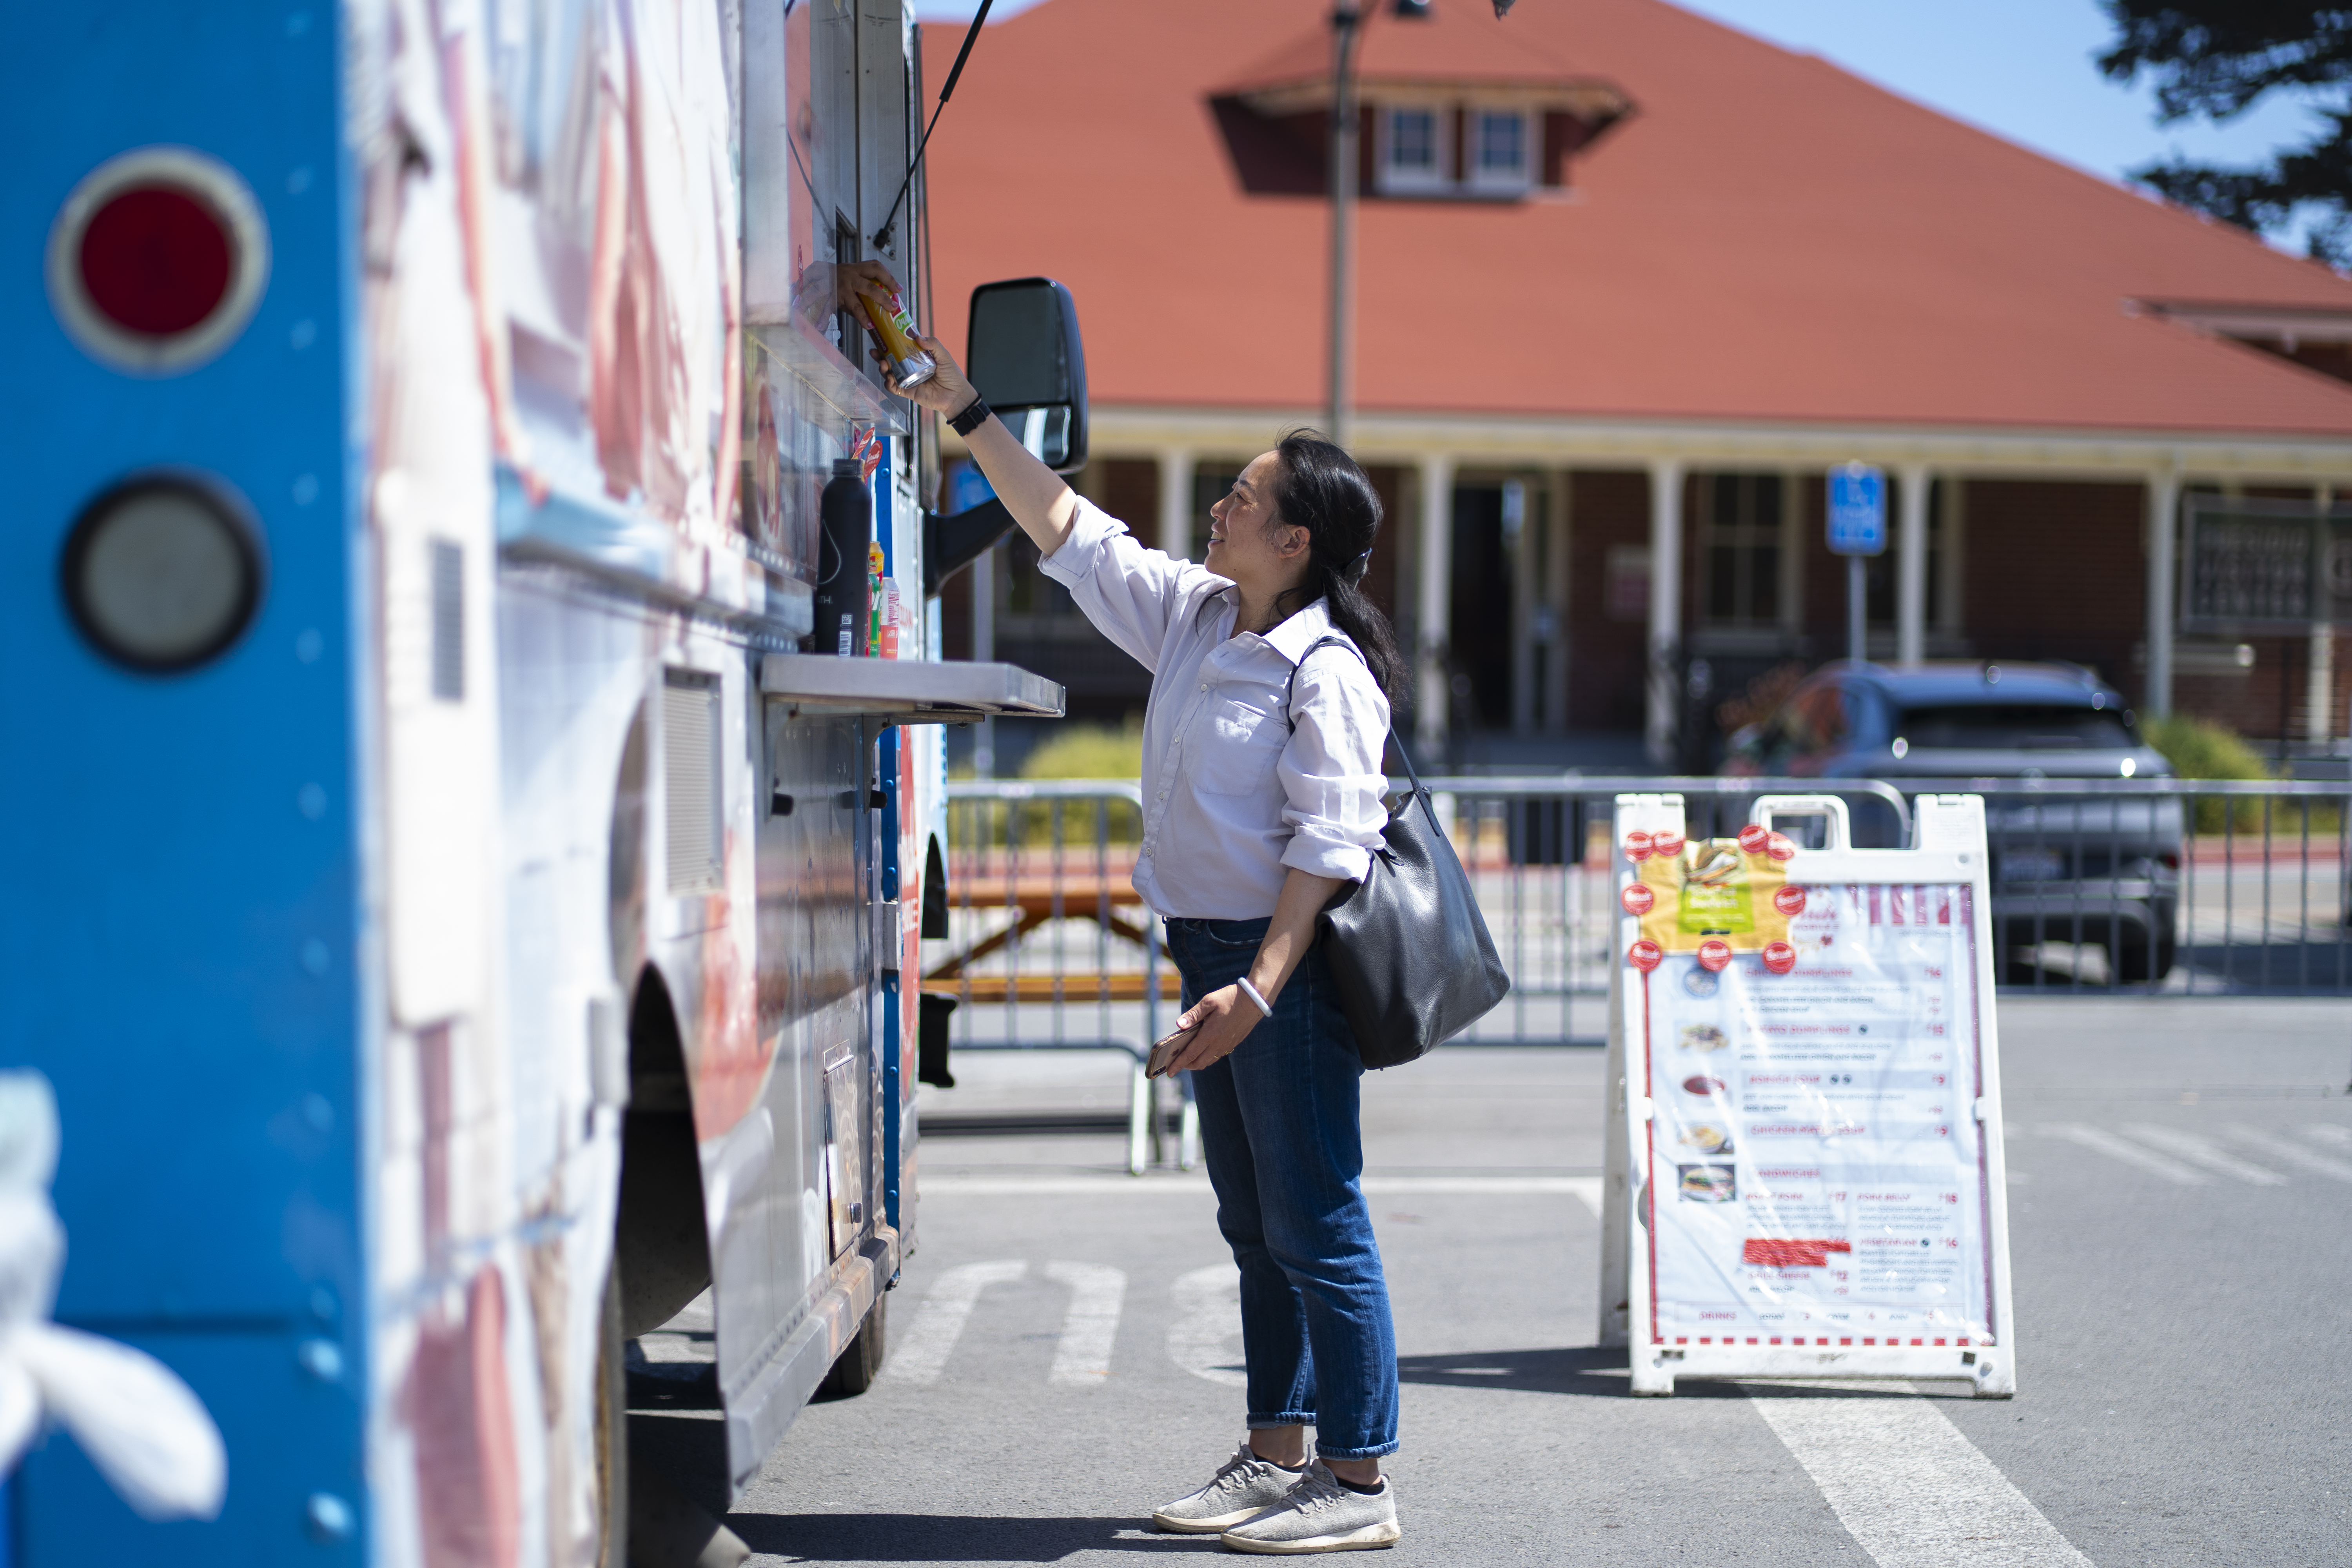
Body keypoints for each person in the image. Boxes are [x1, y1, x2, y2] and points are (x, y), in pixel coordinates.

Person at [884, 309, 1410, 1554]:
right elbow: (1066, 525)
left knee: (1319, 1218)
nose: (1216, 512)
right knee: (1252, 1221)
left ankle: (1362, 1483)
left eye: (1240, 500)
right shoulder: (1192, 615)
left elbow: (1331, 851)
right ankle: (1279, 1456)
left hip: (1278, 970)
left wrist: (1262, 991)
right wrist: (966, 412)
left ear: (1295, 540)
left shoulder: (1319, 668)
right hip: (1209, 957)